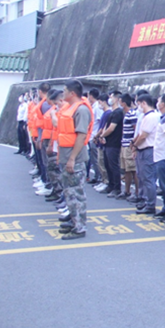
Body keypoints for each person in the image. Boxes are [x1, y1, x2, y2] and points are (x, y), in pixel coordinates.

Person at [56, 79, 93, 240]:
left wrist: (72, 158)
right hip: (66, 158)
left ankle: (80, 227)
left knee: (77, 194)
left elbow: (81, 135)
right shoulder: (70, 108)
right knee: (69, 193)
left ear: (72, 93)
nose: (62, 94)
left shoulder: (81, 110)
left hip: (74, 160)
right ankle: (74, 221)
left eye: (64, 91)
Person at [131, 94, 159, 214]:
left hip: (148, 149)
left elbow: (143, 135)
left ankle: (150, 204)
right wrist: (134, 143)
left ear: (144, 103)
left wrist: (135, 145)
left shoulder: (151, 116)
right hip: (143, 149)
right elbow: (140, 133)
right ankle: (147, 201)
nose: (138, 107)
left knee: (148, 178)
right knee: (143, 177)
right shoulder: (146, 116)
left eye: (139, 104)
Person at [99, 91, 124, 199]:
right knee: (107, 164)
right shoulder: (112, 112)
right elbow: (106, 126)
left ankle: (117, 188)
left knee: (113, 165)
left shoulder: (118, 112)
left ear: (117, 99)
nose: (110, 98)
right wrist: (102, 136)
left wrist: (102, 135)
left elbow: (111, 128)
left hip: (114, 143)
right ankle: (111, 185)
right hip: (108, 142)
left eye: (112, 97)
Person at [118, 94, 138, 201]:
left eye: (120, 101)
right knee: (126, 169)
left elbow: (136, 129)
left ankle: (137, 192)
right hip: (124, 144)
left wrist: (133, 144)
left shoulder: (132, 114)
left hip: (129, 145)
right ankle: (127, 191)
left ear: (124, 103)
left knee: (133, 170)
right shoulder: (126, 114)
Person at [92, 94, 111, 193]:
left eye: (100, 102)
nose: (99, 104)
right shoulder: (104, 113)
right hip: (100, 139)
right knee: (100, 162)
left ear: (104, 102)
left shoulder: (108, 113)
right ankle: (103, 180)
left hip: (103, 140)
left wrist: (97, 136)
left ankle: (106, 181)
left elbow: (103, 128)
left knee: (102, 162)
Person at [86, 88, 103, 184]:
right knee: (93, 158)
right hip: (91, 135)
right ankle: (97, 176)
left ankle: (99, 177)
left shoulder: (97, 107)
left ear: (91, 96)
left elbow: (101, 122)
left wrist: (97, 135)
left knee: (96, 159)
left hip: (95, 136)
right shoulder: (93, 107)